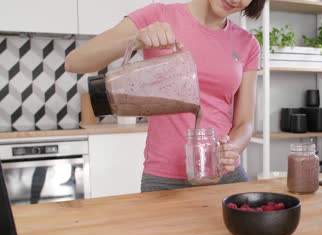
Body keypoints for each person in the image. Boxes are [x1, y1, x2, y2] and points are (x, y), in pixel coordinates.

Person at [65, 0, 265, 191]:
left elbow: (244, 122)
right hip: (164, 179)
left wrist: (232, 149)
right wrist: (135, 40)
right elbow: (74, 62)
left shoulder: (247, 44)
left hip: (226, 177)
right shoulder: (158, 16)